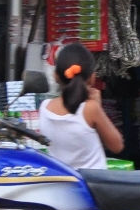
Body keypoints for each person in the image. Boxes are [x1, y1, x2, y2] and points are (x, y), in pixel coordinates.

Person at [39, 43, 124, 171]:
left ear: (56, 76)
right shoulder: (91, 109)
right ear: (92, 78)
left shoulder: (45, 107)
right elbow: (117, 146)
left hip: (61, 183)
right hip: (91, 186)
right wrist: (98, 107)